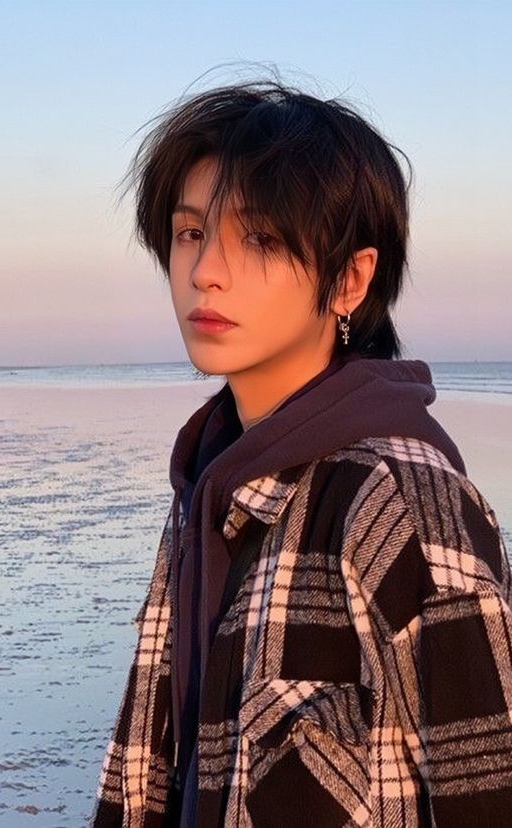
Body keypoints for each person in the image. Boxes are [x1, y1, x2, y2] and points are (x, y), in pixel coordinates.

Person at [92, 77, 512, 827]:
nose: (205, 271)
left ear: (350, 279)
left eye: (259, 239)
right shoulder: (210, 486)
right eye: (191, 232)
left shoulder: (403, 504)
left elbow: (488, 790)